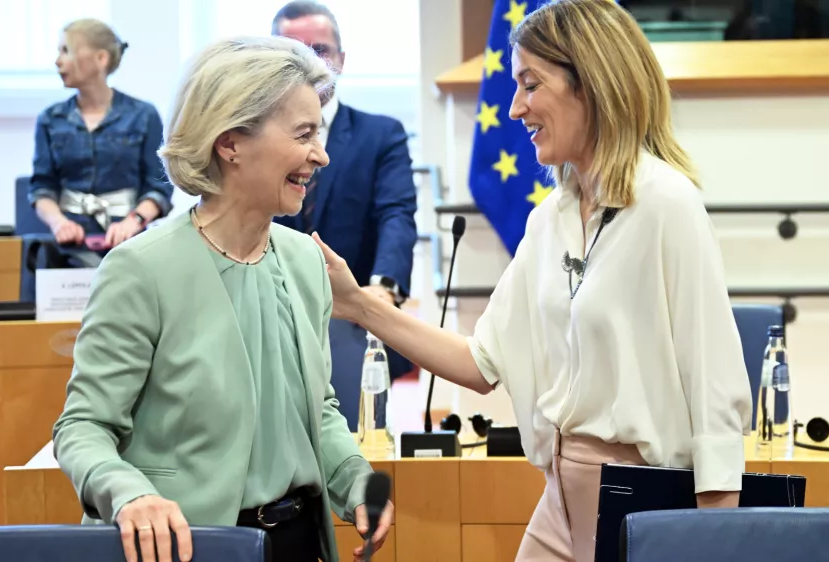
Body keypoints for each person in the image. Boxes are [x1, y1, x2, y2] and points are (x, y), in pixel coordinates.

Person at [313, 1, 752, 560]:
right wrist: (358, 304)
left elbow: (715, 397)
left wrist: (713, 540)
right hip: (558, 501)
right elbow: (479, 364)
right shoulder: (551, 218)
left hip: (644, 505)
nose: (515, 107)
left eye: (530, 84)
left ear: (588, 85)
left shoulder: (668, 204)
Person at [51, 36, 392, 562]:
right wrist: (129, 494)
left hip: (300, 542)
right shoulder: (140, 268)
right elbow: (82, 428)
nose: (320, 155)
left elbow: (317, 409)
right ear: (230, 143)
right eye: (304, 134)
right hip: (191, 545)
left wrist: (354, 477)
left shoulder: (306, 261)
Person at [271, 1, 419, 429]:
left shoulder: (381, 134)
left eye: (321, 50)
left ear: (341, 59)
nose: (311, 64)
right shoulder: (255, 137)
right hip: (273, 320)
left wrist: (382, 288)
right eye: (293, 51)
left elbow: (396, 213)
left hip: (351, 320)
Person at [28, 18, 172, 269]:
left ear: (101, 58)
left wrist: (133, 221)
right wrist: (59, 223)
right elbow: (42, 189)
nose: (57, 61)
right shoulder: (50, 119)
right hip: (68, 250)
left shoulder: (143, 115)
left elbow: (159, 187)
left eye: (66, 51)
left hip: (130, 244)